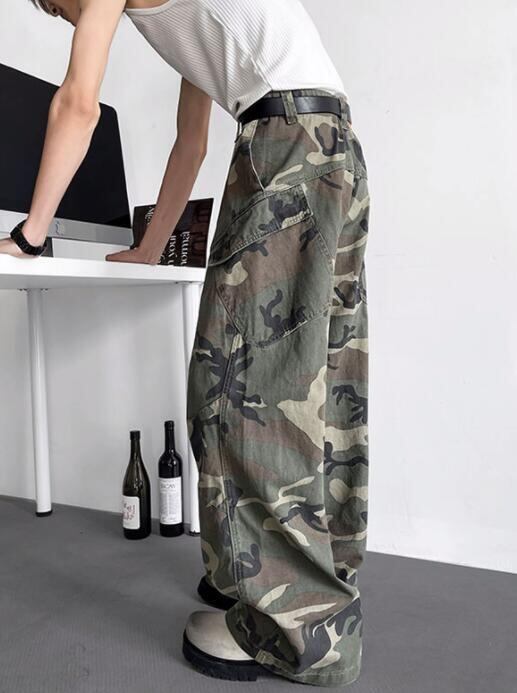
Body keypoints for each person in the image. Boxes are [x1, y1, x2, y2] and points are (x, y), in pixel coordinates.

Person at [5, 0, 370, 687]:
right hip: (327, 144)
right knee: (314, 377)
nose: (61, 17)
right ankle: (290, 581)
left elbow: (78, 103)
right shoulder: (194, 25)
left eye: (51, 3)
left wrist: (30, 236)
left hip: (285, 145)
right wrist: (150, 247)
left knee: (244, 389)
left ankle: (292, 630)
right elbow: (191, 143)